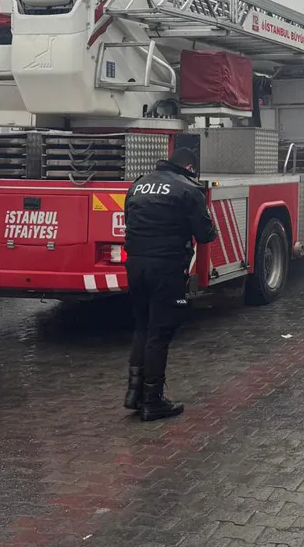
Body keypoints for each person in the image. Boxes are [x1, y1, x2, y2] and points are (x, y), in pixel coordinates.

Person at [122, 147, 218, 421]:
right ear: (189, 168)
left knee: (142, 327)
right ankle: (153, 401)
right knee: (160, 333)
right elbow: (205, 234)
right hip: (166, 268)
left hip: (136, 265)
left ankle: (134, 392)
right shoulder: (188, 190)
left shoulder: (139, 184)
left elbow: (130, 221)